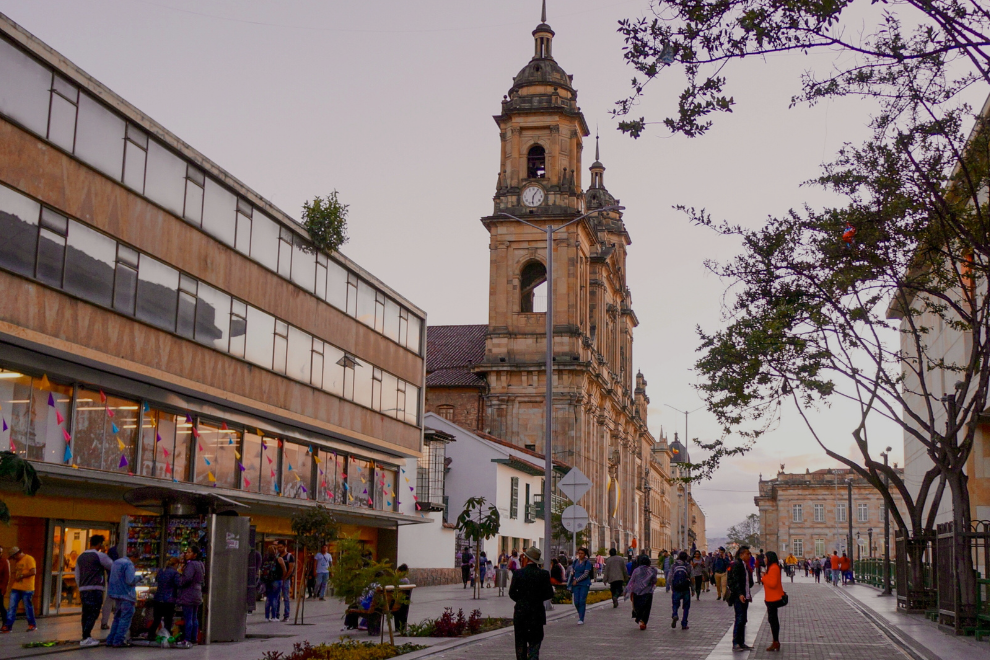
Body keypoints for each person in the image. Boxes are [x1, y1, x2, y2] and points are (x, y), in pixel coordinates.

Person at [510, 546, 553, 660]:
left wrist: (521, 601)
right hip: (537, 613)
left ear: (526, 558)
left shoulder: (518, 573)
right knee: (535, 642)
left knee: (520, 643)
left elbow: (512, 593)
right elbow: (549, 593)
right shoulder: (543, 574)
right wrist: (537, 599)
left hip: (521, 613)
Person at [75, 534, 113, 647]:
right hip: (96, 588)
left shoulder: (80, 556)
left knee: (86, 612)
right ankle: (86, 636)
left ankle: (85, 636)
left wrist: (80, 587)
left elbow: (77, 574)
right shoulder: (99, 555)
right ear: (99, 544)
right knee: (94, 612)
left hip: (84, 589)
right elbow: (112, 566)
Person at [106, 547, 142, 647]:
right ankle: (118, 641)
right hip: (127, 595)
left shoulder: (116, 562)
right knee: (125, 619)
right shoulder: (128, 564)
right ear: (135, 557)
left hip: (116, 594)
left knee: (117, 618)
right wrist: (140, 577)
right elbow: (130, 580)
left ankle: (110, 639)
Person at [175, 545, 205, 648]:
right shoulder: (200, 564)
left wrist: (179, 577)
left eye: (189, 552)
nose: (186, 554)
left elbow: (186, 578)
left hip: (189, 594)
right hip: (197, 594)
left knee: (188, 617)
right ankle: (194, 638)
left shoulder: (191, 565)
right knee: (194, 617)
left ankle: (187, 639)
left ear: (194, 554)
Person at [1, 546, 37, 633]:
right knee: (12, 606)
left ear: (17, 554)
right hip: (16, 587)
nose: (13, 560)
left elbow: (33, 572)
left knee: (28, 607)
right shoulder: (18, 561)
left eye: (13, 557)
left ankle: (32, 625)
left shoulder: (29, 559)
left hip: (27, 588)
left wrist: (22, 576)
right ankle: (8, 626)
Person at [727, 545, 754, 652]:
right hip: (739, 597)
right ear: (741, 554)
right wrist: (740, 594)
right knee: (739, 618)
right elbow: (735, 581)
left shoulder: (745, 565)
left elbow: (747, 582)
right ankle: (736, 642)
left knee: (743, 619)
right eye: (747, 553)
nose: (749, 555)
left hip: (745, 596)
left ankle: (741, 642)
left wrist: (748, 594)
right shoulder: (737, 565)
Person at [149, 557, 180, 641]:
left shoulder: (161, 571)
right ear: (176, 564)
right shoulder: (175, 573)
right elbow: (178, 584)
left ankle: (151, 635)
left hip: (158, 599)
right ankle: (166, 636)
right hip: (169, 600)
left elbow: (156, 580)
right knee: (168, 620)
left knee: (157, 619)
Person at [626, 555, 658, 631]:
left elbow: (632, 580)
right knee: (646, 608)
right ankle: (643, 622)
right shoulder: (652, 570)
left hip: (637, 592)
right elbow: (654, 580)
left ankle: (639, 618)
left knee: (638, 606)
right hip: (648, 592)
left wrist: (627, 590)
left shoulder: (636, 570)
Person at [763, 551, 785, 652]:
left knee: (773, 620)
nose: (764, 559)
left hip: (773, 598)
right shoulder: (774, 567)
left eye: (765, 558)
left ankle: (775, 641)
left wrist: (764, 577)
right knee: (772, 620)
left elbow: (772, 583)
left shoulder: (773, 568)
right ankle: (775, 641)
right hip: (771, 597)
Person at [566, 547, 593, 625]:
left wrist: (577, 580)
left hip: (584, 583)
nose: (580, 555)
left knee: (582, 600)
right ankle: (580, 613)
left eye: (582, 553)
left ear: (585, 554)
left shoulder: (587, 562)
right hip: (575, 584)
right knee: (576, 601)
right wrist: (571, 573)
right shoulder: (575, 562)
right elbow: (572, 569)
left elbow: (586, 574)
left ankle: (581, 617)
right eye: (579, 553)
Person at [261, 547, 286, 622]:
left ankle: (266, 617)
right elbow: (284, 569)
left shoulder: (265, 560)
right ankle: (274, 616)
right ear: (275, 551)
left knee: (268, 598)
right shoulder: (279, 559)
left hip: (267, 581)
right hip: (277, 580)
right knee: (275, 598)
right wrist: (283, 578)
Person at [669, 551, 692, 630]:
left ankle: (675, 614)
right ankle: (684, 623)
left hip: (676, 588)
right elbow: (692, 577)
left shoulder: (674, 565)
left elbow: (670, 577)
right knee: (686, 606)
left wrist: (671, 586)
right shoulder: (688, 566)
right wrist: (693, 589)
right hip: (685, 588)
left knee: (675, 603)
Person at [100, 546, 119, 630]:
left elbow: (108, 566)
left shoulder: (112, 550)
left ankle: (104, 622)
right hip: (118, 579)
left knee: (109, 599)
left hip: (112, 578)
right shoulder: (118, 550)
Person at [277, 540, 295, 621]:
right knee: (277, 597)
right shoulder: (277, 556)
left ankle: (286, 615)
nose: (279, 549)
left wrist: (285, 578)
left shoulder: (289, 556)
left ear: (285, 547)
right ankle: (276, 614)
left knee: (286, 597)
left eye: (281, 547)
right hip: (277, 579)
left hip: (286, 580)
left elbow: (291, 569)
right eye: (278, 547)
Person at [0, 546, 8, 620]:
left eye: (1, 552)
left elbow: (6, 576)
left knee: (0, 606)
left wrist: (4, 589)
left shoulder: (4, 561)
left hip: (0, 587)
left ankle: (6, 623)